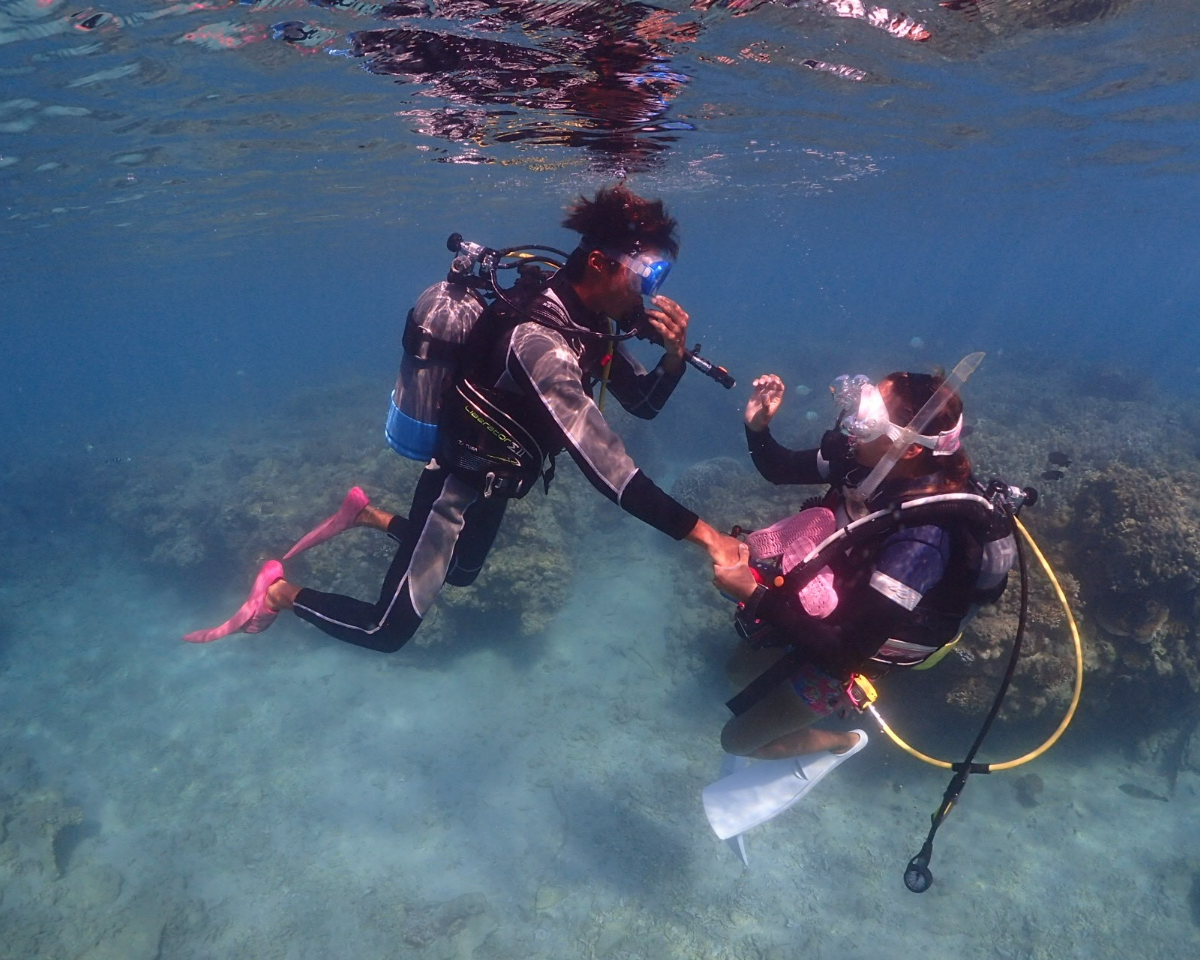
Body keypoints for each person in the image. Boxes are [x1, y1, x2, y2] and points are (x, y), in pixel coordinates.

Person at [183, 185, 741, 648]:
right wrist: (710, 539)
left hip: (498, 484)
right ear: (599, 263)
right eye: (647, 275)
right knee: (386, 630)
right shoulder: (538, 340)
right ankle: (277, 592)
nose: (652, 291)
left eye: (659, 278)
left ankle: (368, 517)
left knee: (466, 575)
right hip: (456, 484)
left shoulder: (590, 326)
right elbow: (609, 470)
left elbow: (641, 406)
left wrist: (671, 361)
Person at [709, 368, 1014, 762]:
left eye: (868, 419)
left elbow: (845, 652)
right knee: (737, 672)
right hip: (828, 603)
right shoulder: (867, 461)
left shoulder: (922, 540)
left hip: (854, 648)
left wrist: (756, 597)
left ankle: (843, 742)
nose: (852, 427)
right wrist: (758, 429)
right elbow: (778, 468)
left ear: (909, 448)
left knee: (735, 741)